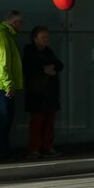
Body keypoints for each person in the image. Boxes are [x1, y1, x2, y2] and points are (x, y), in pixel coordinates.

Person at [0, 10, 24, 159]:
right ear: (14, 23)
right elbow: (2, 64)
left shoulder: (5, 35)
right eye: (21, 22)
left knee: (5, 119)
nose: (22, 25)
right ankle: (1, 151)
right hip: (0, 85)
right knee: (3, 119)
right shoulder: (3, 36)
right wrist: (8, 85)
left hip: (0, 84)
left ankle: (3, 150)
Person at [22, 25, 65, 159]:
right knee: (37, 122)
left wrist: (50, 67)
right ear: (35, 39)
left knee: (49, 122)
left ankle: (47, 147)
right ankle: (34, 148)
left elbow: (60, 65)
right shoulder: (29, 51)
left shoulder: (48, 51)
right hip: (37, 93)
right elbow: (28, 67)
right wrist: (43, 69)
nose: (46, 40)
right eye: (43, 37)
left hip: (50, 94)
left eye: (47, 37)